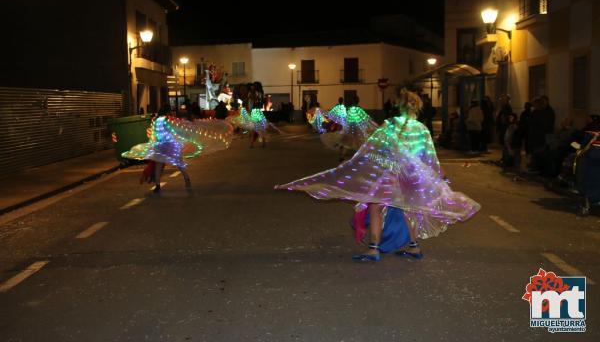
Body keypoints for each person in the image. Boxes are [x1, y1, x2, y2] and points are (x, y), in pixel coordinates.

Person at [275, 89, 480, 262]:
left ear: (399, 106)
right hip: (411, 177)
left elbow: (374, 149)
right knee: (409, 210)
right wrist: (442, 178)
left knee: (375, 206)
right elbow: (429, 157)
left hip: (391, 175)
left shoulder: (391, 125)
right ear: (417, 108)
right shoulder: (423, 129)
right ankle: (414, 246)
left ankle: (373, 249)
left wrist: (361, 163)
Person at [122, 104, 233, 193]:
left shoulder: (156, 121)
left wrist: (152, 145)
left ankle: (157, 185)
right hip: (171, 145)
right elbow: (180, 130)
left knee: (159, 166)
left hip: (160, 146)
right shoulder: (169, 120)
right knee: (179, 164)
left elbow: (154, 136)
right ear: (167, 112)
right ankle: (187, 180)